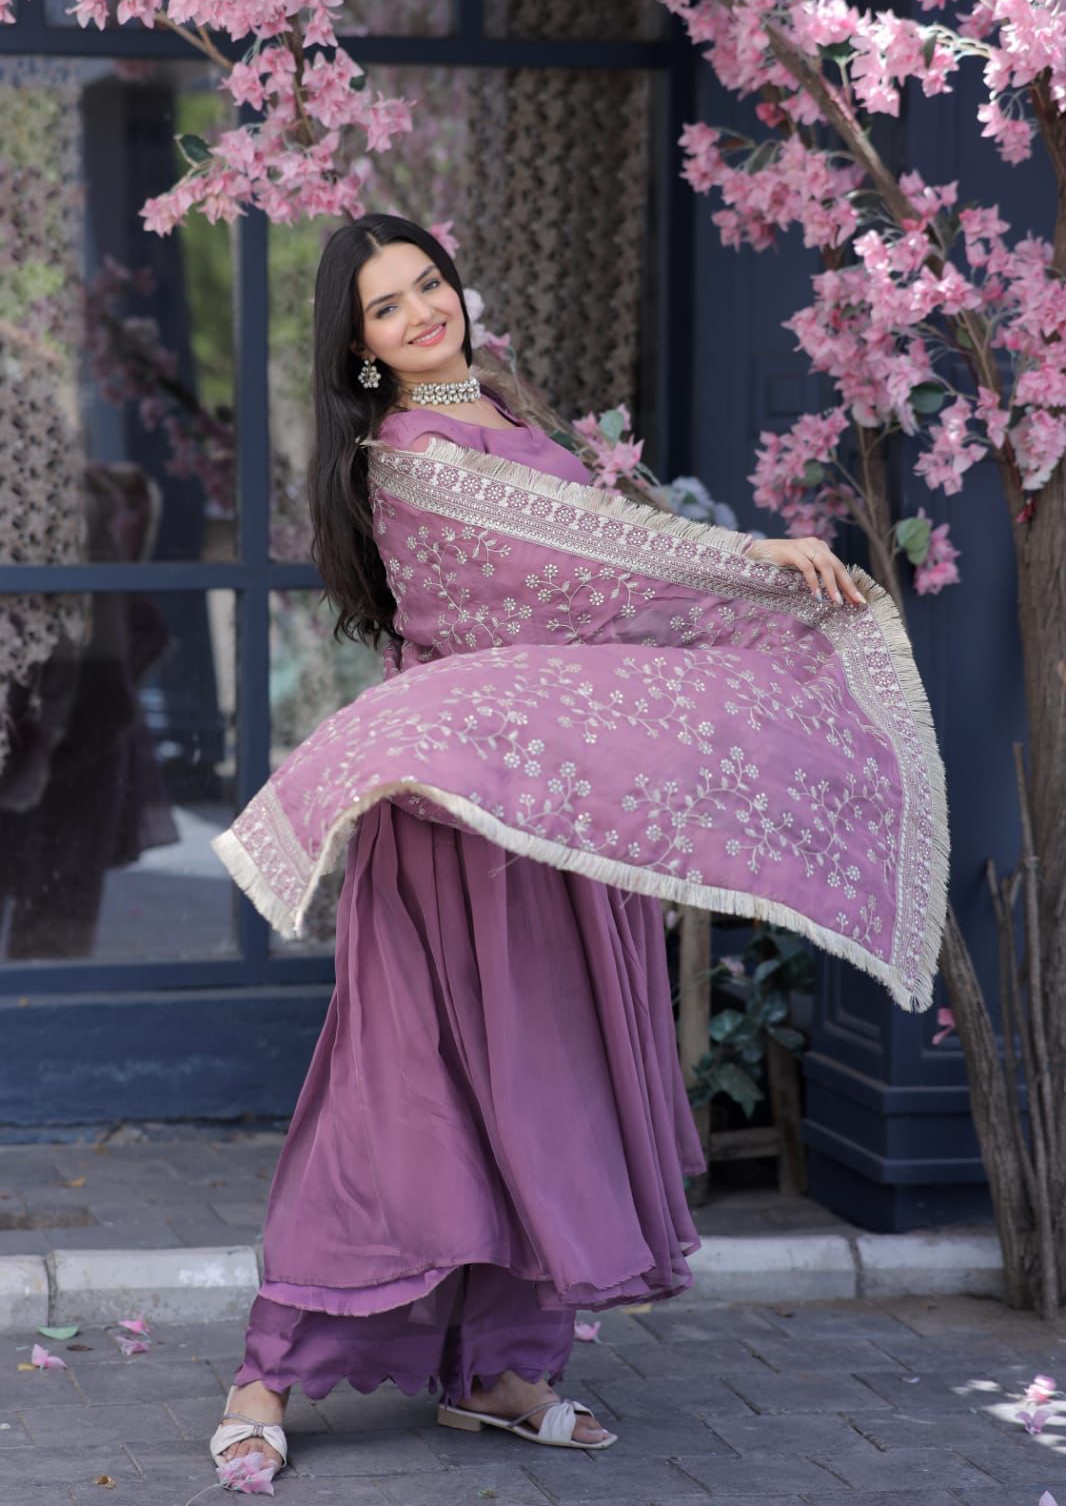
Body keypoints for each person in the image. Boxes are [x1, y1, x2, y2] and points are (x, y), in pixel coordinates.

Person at [208, 213, 892, 1482]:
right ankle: (273, 1370)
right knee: (402, 1097)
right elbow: (582, 575)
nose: (420, 314)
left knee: (551, 1084)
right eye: (385, 307)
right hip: (465, 826)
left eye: (429, 285)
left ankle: (507, 1374)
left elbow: (618, 584)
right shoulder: (412, 458)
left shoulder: (514, 426)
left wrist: (748, 594)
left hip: (562, 813)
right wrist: (752, 555)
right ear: (354, 347)